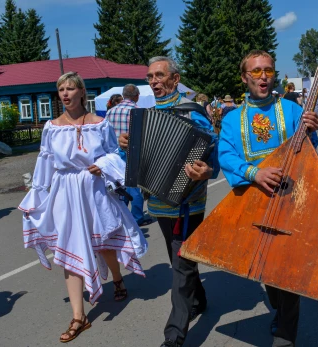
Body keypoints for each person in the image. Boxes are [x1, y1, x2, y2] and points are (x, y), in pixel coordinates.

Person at [18, 72, 148, 343]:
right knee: (70, 247)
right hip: (65, 193)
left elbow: (114, 153)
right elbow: (45, 163)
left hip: (95, 190)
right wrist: (36, 197)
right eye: (61, 89)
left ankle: (117, 279)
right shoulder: (51, 127)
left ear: (81, 93)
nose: (65, 94)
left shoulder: (100, 123)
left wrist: (103, 165)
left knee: (105, 242)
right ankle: (79, 316)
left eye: (70, 89)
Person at [218, 50, 318, 347]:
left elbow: (309, 154)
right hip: (253, 200)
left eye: (268, 70)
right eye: (256, 71)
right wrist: (254, 173)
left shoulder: (291, 108)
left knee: (290, 270)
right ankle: (279, 306)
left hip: (292, 200)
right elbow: (226, 154)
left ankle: (286, 334)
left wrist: (311, 131)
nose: (263, 76)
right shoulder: (232, 118)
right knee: (267, 269)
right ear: (244, 77)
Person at [118, 56, 218, 347]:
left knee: (181, 265)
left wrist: (207, 169)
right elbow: (135, 162)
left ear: (175, 79)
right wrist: (125, 145)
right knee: (179, 259)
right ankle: (199, 299)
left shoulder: (193, 113)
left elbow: (214, 154)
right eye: (150, 77)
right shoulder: (143, 116)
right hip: (159, 203)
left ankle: (174, 336)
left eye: (159, 76)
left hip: (188, 202)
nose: (153, 81)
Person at [106, 84, 151, 226]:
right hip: (132, 152)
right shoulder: (137, 111)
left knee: (120, 186)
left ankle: (122, 216)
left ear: (123, 95)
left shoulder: (110, 112)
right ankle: (137, 218)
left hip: (114, 154)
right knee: (135, 186)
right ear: (137, 96)